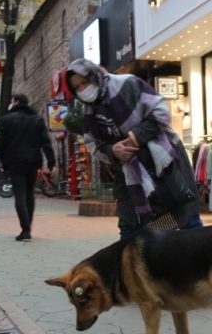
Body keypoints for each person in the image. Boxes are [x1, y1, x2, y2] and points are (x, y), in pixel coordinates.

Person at [66, 58, 201, 240]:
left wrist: (136, 136)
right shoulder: (89, 111)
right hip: (129, 175)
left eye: (85, 82)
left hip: (163, 165)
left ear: (94, 76)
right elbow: (93, 144)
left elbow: (161, 111)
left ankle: (199, 264)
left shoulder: (127, 84)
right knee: (130, 236)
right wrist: (113, 150)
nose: (83, 89)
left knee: (188, 223)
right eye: (78, 87)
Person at [0, 93, 57, 242]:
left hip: (15, 162)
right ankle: (28, 228)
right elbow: (46, 142)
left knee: (20, 195)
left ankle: (25, 230)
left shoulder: (6, 120)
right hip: (33, 162)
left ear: (15, 102)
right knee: (29, 194)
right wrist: (51, 162)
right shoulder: (36, 119)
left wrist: (4, 158)